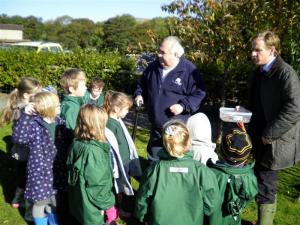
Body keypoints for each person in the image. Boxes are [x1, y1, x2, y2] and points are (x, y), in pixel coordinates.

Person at [249, 30, 300, 225]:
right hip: (259, 135)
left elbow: (295, 108)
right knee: (261, 180)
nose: (253, 54)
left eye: (257, 50)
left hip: (273, 140)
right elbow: (257, 103)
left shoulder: (285, 73)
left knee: (266, 183)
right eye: (252, 49)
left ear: (272, 50)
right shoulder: (260, 71)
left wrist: (269, 134)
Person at [134, 36, 206, 162]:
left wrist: (183, 106)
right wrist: (139, 94)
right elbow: (141, 84)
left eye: (163, 52)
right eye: (159, 51)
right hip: (156, 127)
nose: (158, 55)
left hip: (176, 130)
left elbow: (200, 93)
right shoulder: (153, 67)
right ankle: (154, 179)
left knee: (174, 161)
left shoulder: (189, 70)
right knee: (154, 160)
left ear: (176, 54)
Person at [134, 120, 220, 225]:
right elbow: (212, 204)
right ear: (189, 142)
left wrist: (143, 217)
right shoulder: (202, 171)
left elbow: (143, 199)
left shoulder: (154, 170)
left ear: (165, 143)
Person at [12, 92, 67, 225]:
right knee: (40, 202)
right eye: (58, 105)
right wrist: (25, 116)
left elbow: (67, 141)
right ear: (48, 108)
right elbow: (19, 138)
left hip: (56, 170)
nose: (60, 107)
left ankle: (53, 222)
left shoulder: (60, 123)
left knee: (53, 200)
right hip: (40, 172)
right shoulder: (34, 124)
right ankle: (40, 222)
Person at [67, 104, 118, 225]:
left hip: (79, 201)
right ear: (96, 125)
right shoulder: (94, 152)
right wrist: (109, 206)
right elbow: (98, 185)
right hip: (92, 207)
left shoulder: (77, 142)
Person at [0, 77, 41, 221]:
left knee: (22, 175)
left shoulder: (24, 106)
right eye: (37, 94)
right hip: (23, 151)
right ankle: (18, 200)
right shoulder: (21, 110)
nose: (39, 96)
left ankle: (16, 199)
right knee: (25, 177)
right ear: (26, 95)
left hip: (21, 151)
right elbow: (21, 133)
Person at [206, 127, 258, 225]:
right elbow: (249, 196)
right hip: (233, 220)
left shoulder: (209, 174)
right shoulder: (249, 177)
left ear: (221, 151)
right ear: (246, 157)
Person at [104, 91, 142, 218]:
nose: (127, 112)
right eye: (126, 109)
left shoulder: (117, 120)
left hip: (126, 161)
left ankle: (124, 206)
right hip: (119, 162)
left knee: (127, 185)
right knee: (121, 186)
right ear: (115, 109)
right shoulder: (110, 124)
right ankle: (121, 209)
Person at [60, 68, 87, 132]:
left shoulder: (76, 103)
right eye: (83, 86)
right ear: (72, 89)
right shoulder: (71, 107)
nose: (86, 88)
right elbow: (71, 130)